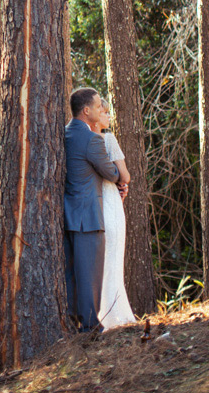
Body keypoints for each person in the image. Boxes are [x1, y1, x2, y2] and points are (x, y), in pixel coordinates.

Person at [64, 87, 124, 332]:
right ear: (86, 111)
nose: (102, 109)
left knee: (72, 275)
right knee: (90, 275)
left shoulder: (65, 133)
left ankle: (72, 322)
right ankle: (90, 327)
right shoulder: (91, 140)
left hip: (69, 214)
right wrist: (121, 177)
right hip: (88, 217)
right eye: (99, 106)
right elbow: (112, 173)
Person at [91, 99, 136, 328]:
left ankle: (103, 316)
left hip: (95, 205)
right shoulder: (107, 139)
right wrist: (121, 181)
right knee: (113, 259)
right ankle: (115, 316)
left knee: (102, 261)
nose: (109, 117)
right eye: (105, 112)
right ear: (94, 115)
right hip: (110, 204)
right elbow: (125, 175)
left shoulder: (80, 141)